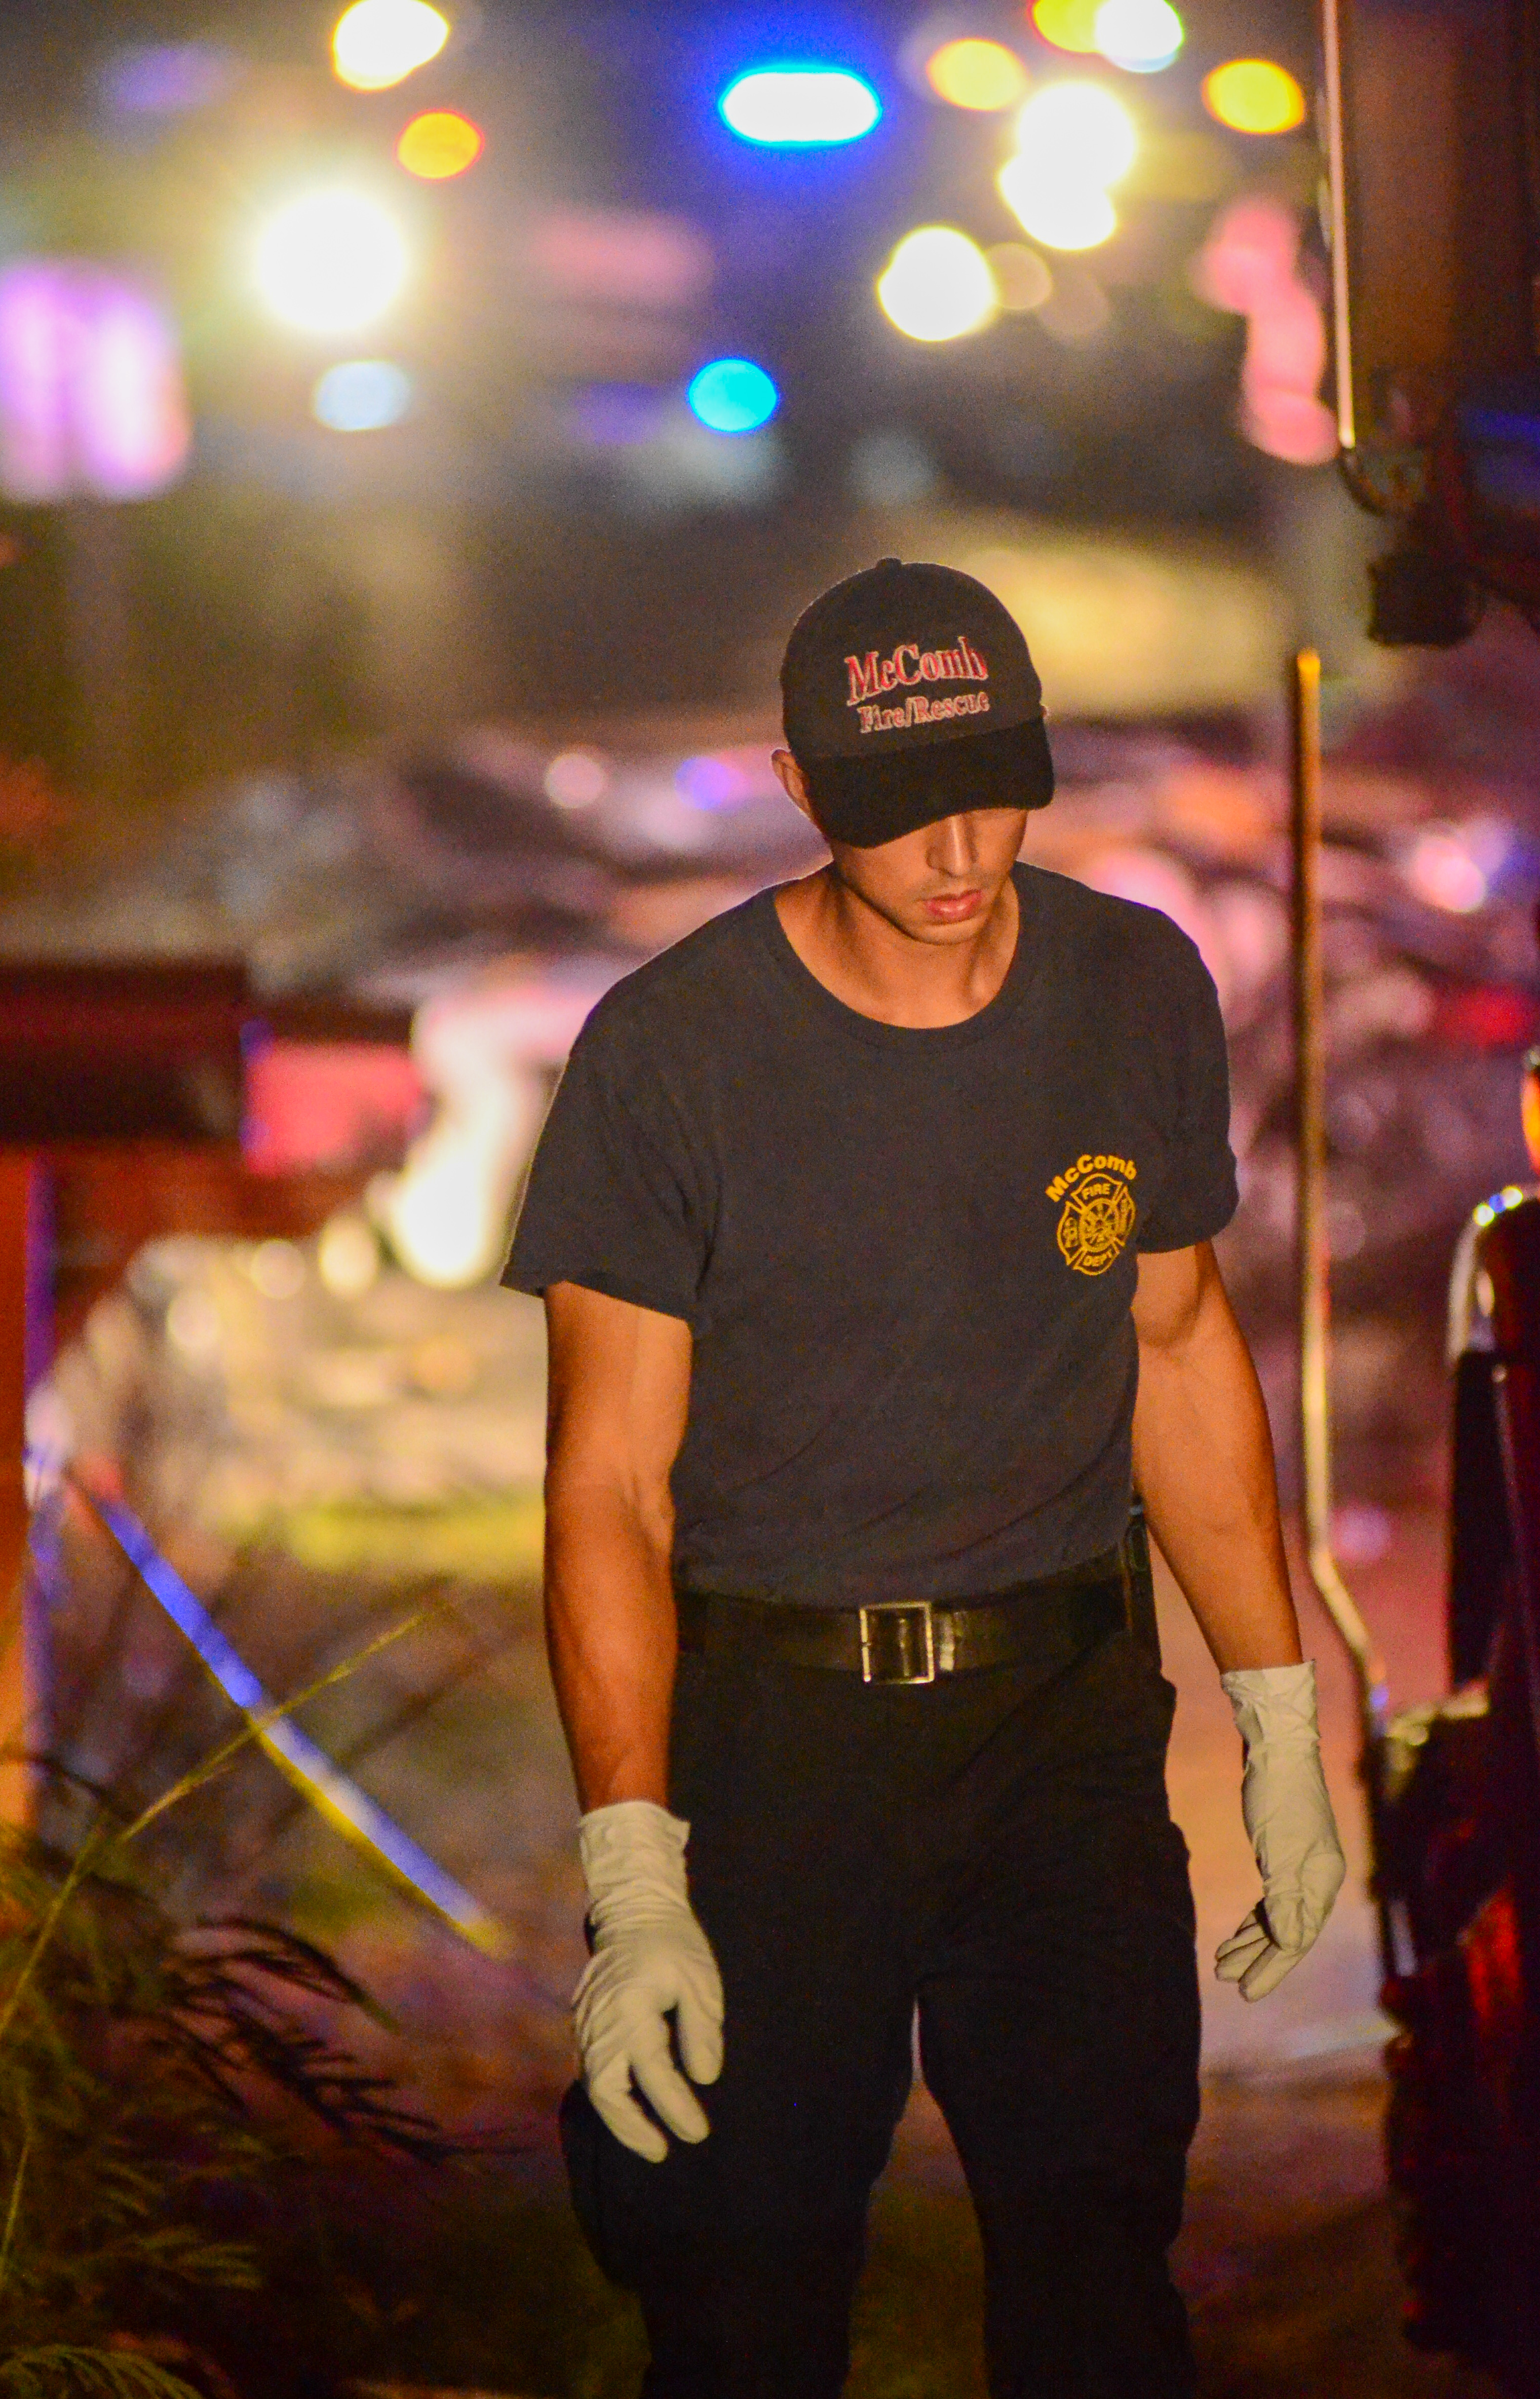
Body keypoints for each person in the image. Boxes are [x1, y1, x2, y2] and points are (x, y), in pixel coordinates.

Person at [502, 558, 1345, 2398]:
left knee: (1102, 2268)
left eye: (992, 788)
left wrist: (1279, 1718)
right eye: (900, 807)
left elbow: (1178, 1344)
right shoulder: (672, 1052)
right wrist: (636, 1868)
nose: (959, 850)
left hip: (1063, 1733)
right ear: (802, 792)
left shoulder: (1135, 986)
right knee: (738, 2289)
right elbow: (608, 1490)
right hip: (777, 1749)